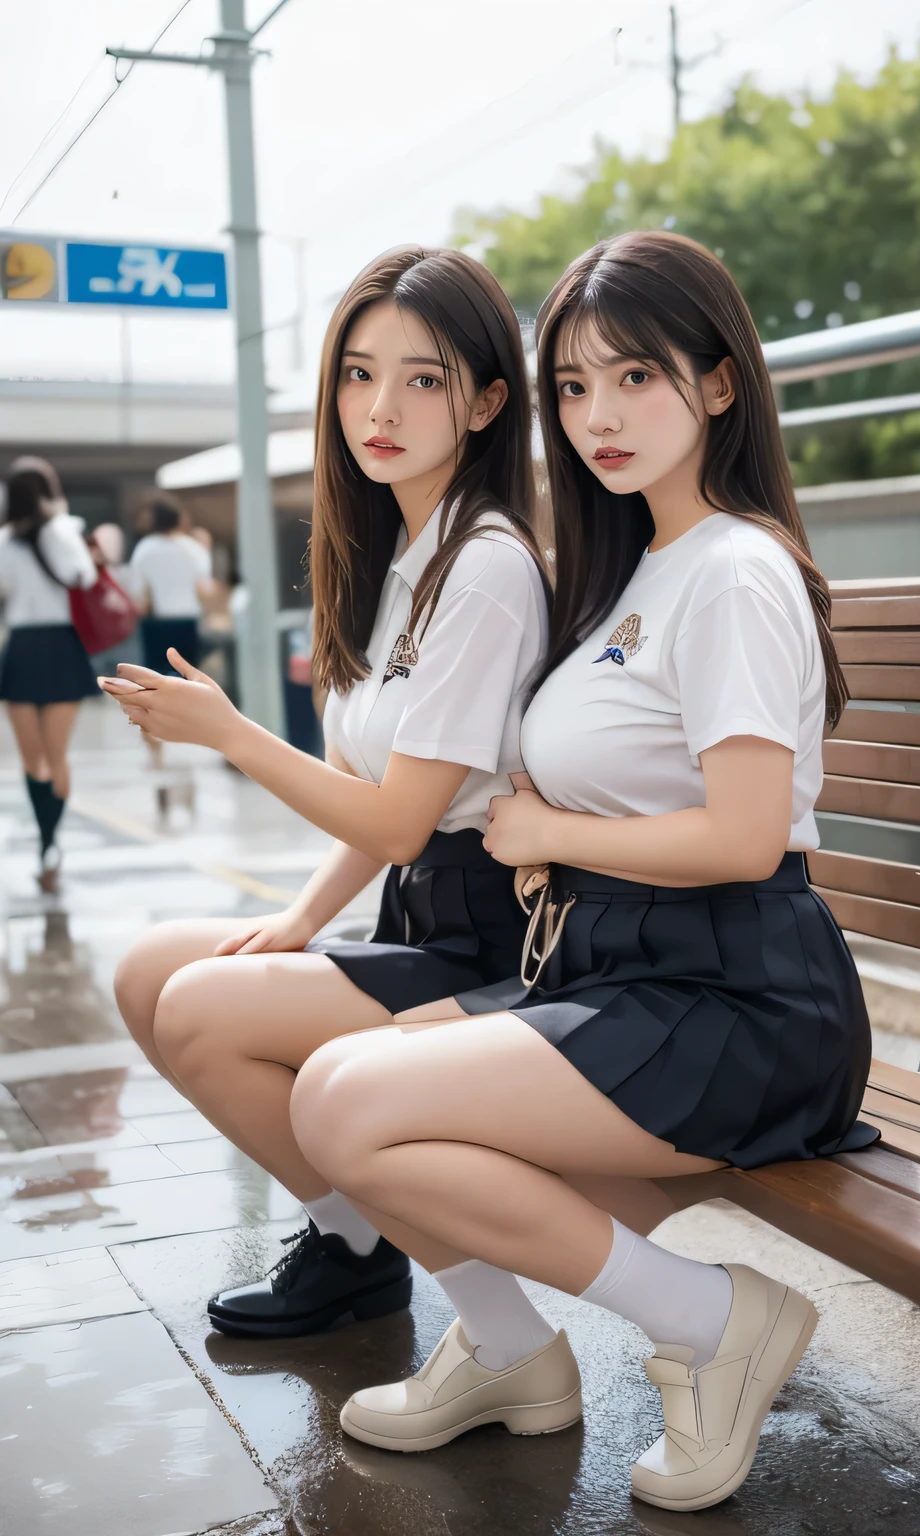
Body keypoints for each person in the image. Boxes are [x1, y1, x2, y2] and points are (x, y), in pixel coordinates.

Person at [282, 232, 876, 1513]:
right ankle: (512, 1348)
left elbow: (744, 835)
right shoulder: (637, 567)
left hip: (740, 1001)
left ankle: (717, 1325)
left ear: (720, 386)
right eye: (571, 386)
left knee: (345, 1103)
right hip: (629, 971)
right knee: (338, 1094)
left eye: (635, 379)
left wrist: (553, 836)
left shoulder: (729, 572)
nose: (597, 417)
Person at [104, 247, 550, 1341]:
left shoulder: (485, 566)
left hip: (500, 945)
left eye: (424, 378)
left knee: (200, 1010)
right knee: (151, 969)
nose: (380, 407)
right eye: (358, 374)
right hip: (423, 922)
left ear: (489, 402)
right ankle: (356, 1241)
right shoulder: (403, 558)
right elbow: (375, 785)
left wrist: (232, 736)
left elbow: (402, 818)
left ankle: (478, 1313)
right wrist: (299, 919)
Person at [0, 457, 98, 892]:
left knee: (32, 759)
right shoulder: (63, 532)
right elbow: (85, 576)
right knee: (57, 757)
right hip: (60, 646)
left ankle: (46, 843)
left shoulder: (4, 540)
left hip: (21, 647)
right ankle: (50, 843)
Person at [128, 494, 212, 674]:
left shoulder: (145, 549)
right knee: (189, 675)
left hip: (158, 621)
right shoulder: (194, 549)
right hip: (190, 621)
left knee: (158, 677)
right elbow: (205, 587)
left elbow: (139, 592)